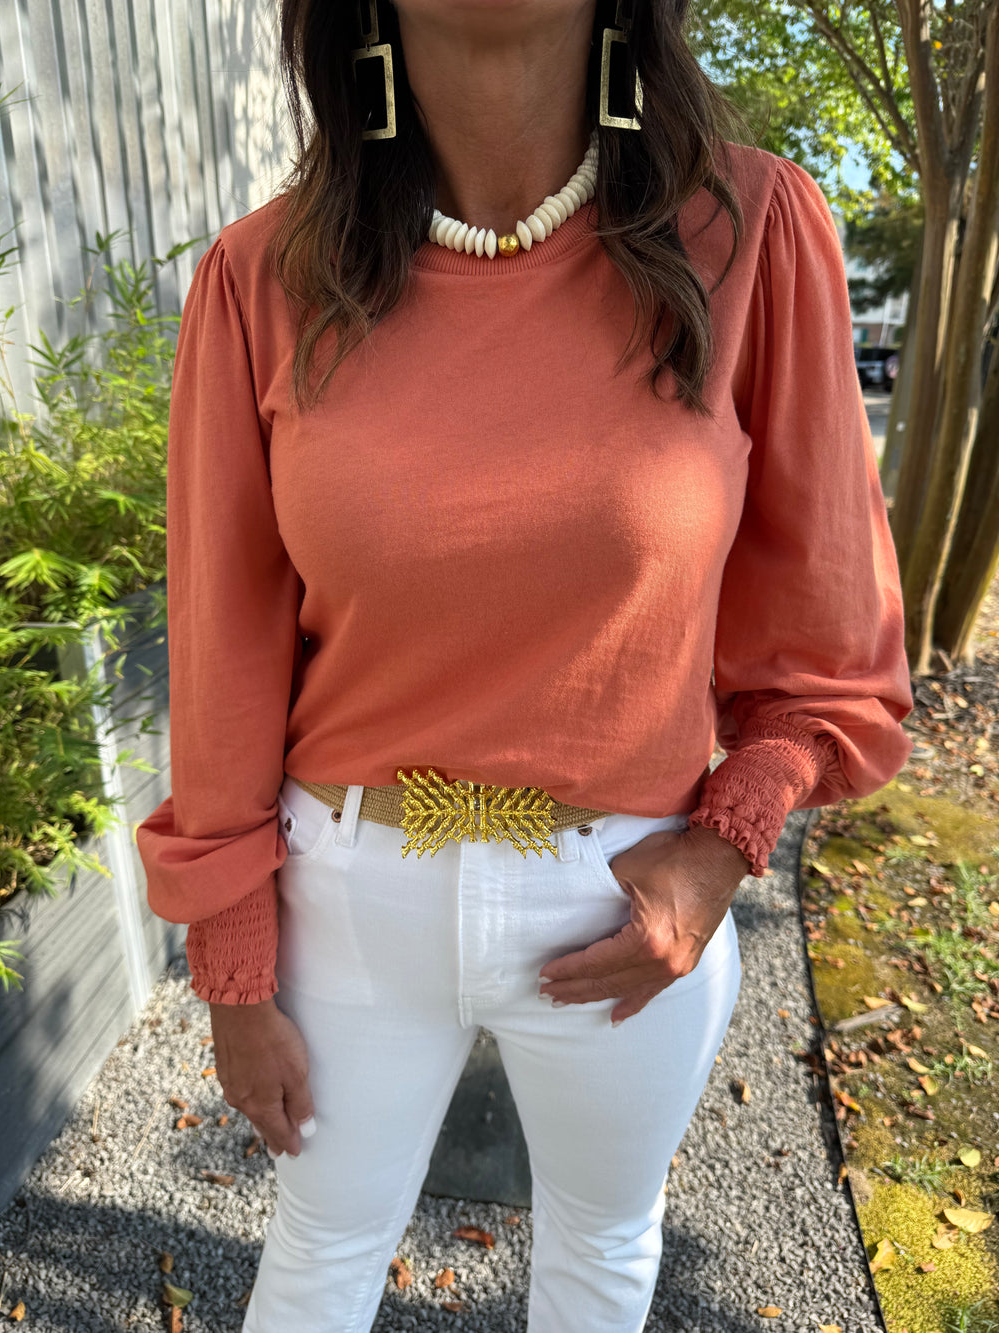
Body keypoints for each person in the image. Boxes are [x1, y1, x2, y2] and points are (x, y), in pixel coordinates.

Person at [135, 0, 915, 1326]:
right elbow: (224, 650)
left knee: (602, 1253)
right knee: (318, 1256)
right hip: (346, 896)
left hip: (625, 904)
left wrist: (720, 850)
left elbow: (829, 639)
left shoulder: (753, 236)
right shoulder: (261, 277)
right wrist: (234, 964)